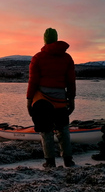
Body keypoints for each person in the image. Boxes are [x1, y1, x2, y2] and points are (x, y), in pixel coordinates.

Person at [26, 28, 76, 168]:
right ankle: (68, 160)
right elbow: (71, 81)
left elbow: (33, 81)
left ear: (45, 40)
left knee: (46, 130)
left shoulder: (37, 58)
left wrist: (29, 100)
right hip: (61, 99)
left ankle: (50, 162)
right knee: (63, 129)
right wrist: (71, 100)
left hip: (42, 101)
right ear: (56, 38)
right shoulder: (67, 58)